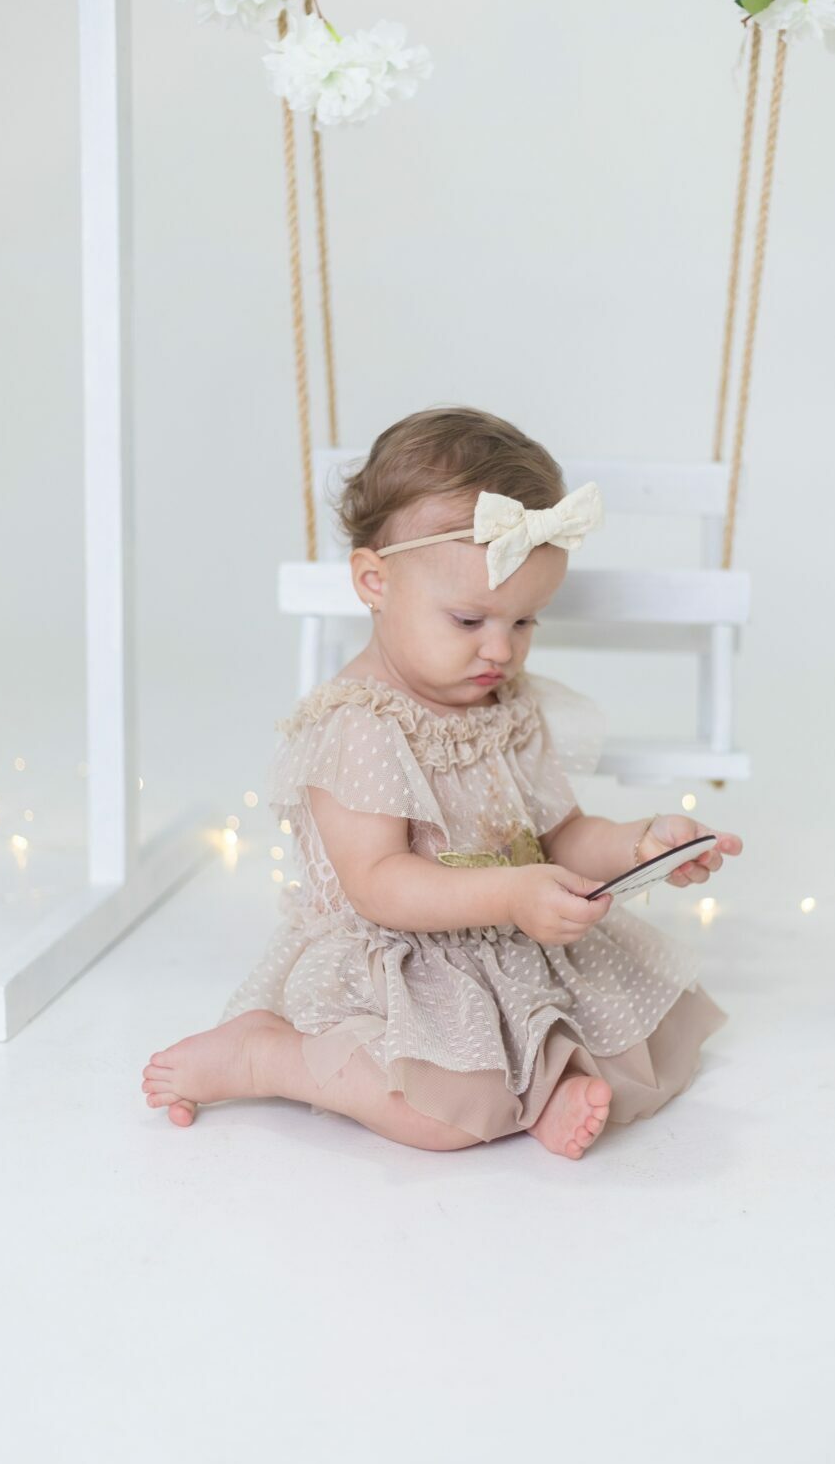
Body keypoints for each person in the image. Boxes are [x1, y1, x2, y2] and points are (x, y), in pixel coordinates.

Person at [141, 406, 742, 1159]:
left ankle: (542, 1093)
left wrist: (637, 845)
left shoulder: (505, 707)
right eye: (468, 621)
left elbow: (559, 836)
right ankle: (267, 1054)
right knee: (436, 1114)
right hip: (402, 961)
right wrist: (511, 895)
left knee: (627, 1037)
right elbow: (377, 884)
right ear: (375, 581)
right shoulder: (359, 724)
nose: (501, 651)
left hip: (506, 944)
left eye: (525, 622)